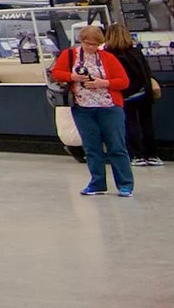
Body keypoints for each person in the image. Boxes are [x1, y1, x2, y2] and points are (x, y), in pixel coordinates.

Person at [52, 25, 134, 197]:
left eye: (95, 44)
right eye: (88, 44)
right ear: (81, 41)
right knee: (92, 148)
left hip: (109, 107)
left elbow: (124, 81)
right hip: (83, 109)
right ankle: (97, 183)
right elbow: (57, 73)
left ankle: (125, 184)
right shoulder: (69, 55)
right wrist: (72, 77)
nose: (91, 48)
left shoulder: (108, 58)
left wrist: (103, 83)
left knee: (116, 147)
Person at [101, 20, 162, 168]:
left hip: (125, 94)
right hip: (143, 92)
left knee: (130, 123)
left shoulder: (107, 55)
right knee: (147, 122)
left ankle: (138, 154)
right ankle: (152, 155)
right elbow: (146, 71)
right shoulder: (135, 51)